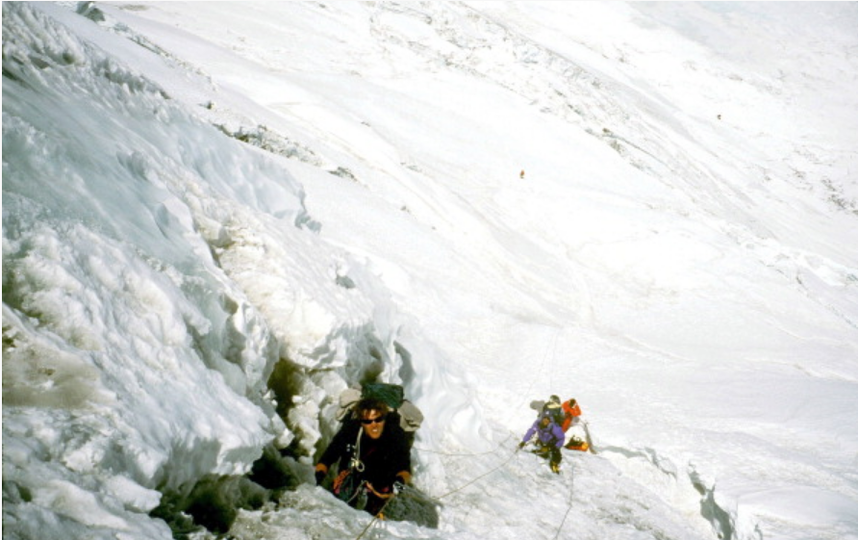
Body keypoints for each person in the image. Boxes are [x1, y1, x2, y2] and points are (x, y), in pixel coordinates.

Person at [315, 398, 412, 516]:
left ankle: (376, 509)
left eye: (378, 420)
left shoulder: (395, 434)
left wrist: (398, 486)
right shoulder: (350, 430)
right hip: (353, 477)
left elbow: (405, 469)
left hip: (380, 481)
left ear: (385, 418)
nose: (374, 425)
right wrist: (318, 480)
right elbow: (327, 458)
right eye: (368, 421)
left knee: (378, 497)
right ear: (361, 422)